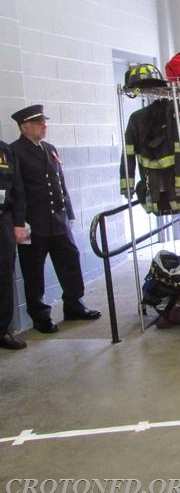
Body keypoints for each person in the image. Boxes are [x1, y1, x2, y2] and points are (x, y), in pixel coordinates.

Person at [10, 105, 101, 334]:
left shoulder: (49, 148)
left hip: (57, 220)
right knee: (33, 271)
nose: (44, 125)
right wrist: (18, 224)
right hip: (32, 223)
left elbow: (61, 184)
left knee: (70, 259)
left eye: (44, 121)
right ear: (24, 126)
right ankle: (40, 316)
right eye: (39, 122)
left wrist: (69, 213)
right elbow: (16, 190)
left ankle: (74, 305)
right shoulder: (15, 152)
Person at [0, 136, 28, 350]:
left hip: (3, 220)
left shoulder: (4, 150)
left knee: (4, 275)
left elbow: (17, 189)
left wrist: (19, 223)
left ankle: (2, 331)